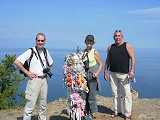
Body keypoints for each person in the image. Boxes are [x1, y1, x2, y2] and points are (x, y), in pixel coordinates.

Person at [14, 33, 53, 120]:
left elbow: (51, 63)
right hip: (34, 81)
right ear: (35, 40)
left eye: (42, 41)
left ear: (45, 41)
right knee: (30, 105)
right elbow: (17, 62)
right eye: (38, 40)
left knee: (43, 105)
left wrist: (46, 69)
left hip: (44, 80)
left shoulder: (46, 51)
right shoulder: (31, 51)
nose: (40, 42)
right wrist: (27, 73)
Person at [104, 30, 135, 120]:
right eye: (115, 36)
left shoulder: (127, 45)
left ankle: (127, 114)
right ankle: (117, 111)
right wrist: (105, 71)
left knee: (127, 94)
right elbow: (108, 60)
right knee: (115, 93)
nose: (117, 37)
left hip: (124, 74)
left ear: (122, 37)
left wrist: (132, 71)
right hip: (113, 73)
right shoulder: (110, 47)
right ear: (113, 37)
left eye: (119, 36)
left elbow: (133, 58)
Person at [81, 34, 103, 119]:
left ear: (92, 42)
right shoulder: (83, 52)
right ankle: (85, 111)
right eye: (87, 40)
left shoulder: (95, 52)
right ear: (85, 42)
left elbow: (101, 64)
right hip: (84, 75)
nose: (89, 42)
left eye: (90, 41)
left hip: (92, 75)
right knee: (83, 94)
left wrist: (97, 73)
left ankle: (94, 111)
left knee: (91, 95)